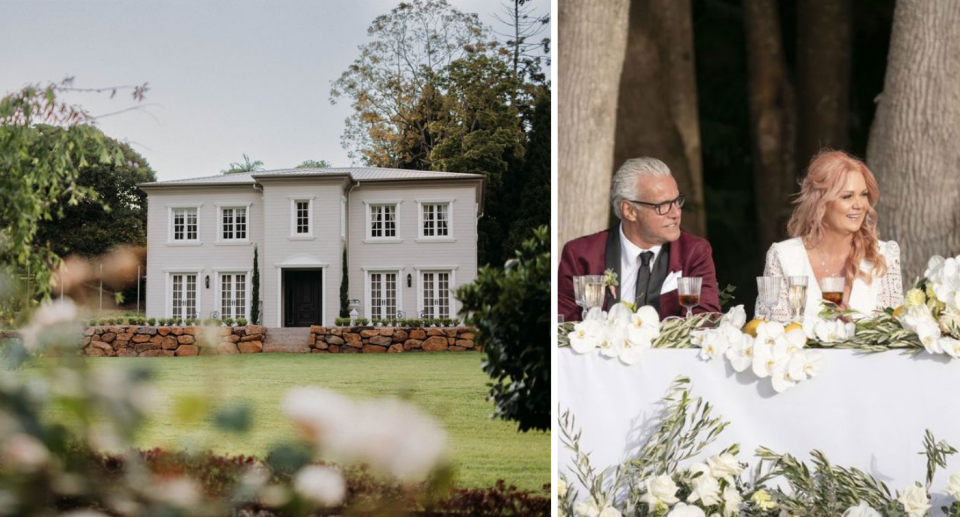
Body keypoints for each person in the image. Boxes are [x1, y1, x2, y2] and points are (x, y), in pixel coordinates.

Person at [558, 157, 721, 321]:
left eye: (677, 201)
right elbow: (563, 325)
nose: (676, 213)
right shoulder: (580, 255)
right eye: (663, 205)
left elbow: (706, 320)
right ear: (629, 210)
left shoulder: (694, 251)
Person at [758, 150, 903, 321]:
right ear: (821, 203)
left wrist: (854, 326)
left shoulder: (883, 255)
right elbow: (768, 331)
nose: (859, 205)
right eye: (847, 196)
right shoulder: (785, 257)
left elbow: (893, 330)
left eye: (863, 195)